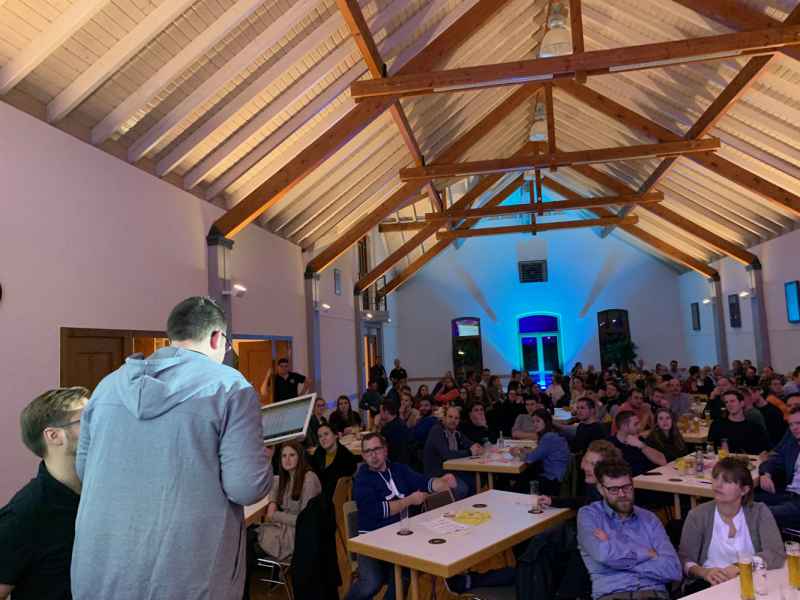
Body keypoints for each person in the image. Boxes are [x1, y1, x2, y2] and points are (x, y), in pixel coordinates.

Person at [71, 296, 272, 600]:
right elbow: (246, 487)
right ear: (217, 338)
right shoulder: (230, 387)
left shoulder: (107, 386)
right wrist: (262, 461)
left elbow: (86, 470)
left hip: (104, 567)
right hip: (187, 571)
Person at [0, 387, 88, 600]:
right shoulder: (24, 514)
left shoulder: (102, 495)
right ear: (54, 436)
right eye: (86, 419)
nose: (99, 425)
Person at [347, 433, 458, 600]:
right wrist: (409, 500)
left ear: (385, 450)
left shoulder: (399, 469)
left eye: (377, 449)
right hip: (370, 542)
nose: (373, 455)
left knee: (404, 573)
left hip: (401, 539)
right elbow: (378, 510)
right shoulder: (362, 480)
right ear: (363, 455)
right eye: (368, 452)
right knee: (371, 583)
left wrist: (441, 482)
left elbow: (424, 482)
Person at [577, 460, 682, 600]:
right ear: (601, 489)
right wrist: (647, 554)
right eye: (614, 489)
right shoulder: (589, 515)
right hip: (612, 595)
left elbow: (673, 570)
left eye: (626, 487)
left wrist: (615, 556)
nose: (622, 494)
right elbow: (604, 555)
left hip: (653, 594)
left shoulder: (649, 518)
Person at [679, 457, 784, 594]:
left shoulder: (759, 512)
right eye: (715, 478)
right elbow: (685, 560)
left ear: (744, 490)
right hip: (708, 584)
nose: (718, 485)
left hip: (751, 580)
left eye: (726, 481)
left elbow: (776, 554)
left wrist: (740, 567)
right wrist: (705, 572)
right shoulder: (697, 515)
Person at [257, 442, 322, 561]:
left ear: (300, 457)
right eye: (284, 456)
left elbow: (305, 521)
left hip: (299, 536)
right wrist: (272, 502)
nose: (287, 460)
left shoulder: (309, 479)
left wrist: (275, 515)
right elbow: (274, 481)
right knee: (248, 536)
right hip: (287, 530)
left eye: (292, 455)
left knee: (248, 542)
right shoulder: (287, 478)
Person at [423, 406, 482, 499]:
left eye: (456, 418)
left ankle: (468, 506)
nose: (453, 420)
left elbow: (471, 444)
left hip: (451, 470)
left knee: (475, 482)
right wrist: (470, 452)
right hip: (437, 473)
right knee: (462, 489)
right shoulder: (437, 430)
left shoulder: (456, 432)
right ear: (444, 418)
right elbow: (447, 455)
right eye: (450, 417)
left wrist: (477, 447)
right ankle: (452, 506)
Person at [758, 406, 800, 529]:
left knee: (759, 514)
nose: (794, 428)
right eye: (791, 424)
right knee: (743, 499)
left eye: (798, 423)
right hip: (788, 494)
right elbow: (774, 460)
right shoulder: (793, 443)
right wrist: (766, 474)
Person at [520, 409, 570, 496]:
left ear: (546, 421)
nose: (535, 424)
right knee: (526, 475)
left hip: (552, 480)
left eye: (538, 421)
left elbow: (530, 459)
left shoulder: (548, 437)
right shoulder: (553, 433)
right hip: (557, 476)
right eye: (533, 422)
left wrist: (516, 453)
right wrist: (529, 451)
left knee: (521, 480)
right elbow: (541, 452)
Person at [708, 390, 770, 455]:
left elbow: (766, 450)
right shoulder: (717, 425)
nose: (729, 404)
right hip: (723, 459)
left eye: (732, 401)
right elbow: (709, 449)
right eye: (726, 402)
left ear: (742, 403)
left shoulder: (755, 427)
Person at [310, 423, 359, 502]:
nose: (323, 439)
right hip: (317, 494)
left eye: (326, 434)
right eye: (320, 436)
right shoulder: (318, 452)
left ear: (336, 435)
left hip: (334, 500)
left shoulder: (346, 457)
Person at [609, 410, 667, 476]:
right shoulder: (611, 446)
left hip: (654, 476)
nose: (639, 427)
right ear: (624, 426)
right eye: (635, 424)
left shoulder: (639, 440)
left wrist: (641, 446)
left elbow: (663, 461)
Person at [378, 399, 411, 464]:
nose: (379, 414)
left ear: (386, 412)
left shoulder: (389, 429)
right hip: (405, 461)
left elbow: (379, 446)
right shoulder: (400, 423)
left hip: (394, 464)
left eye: (380, 411)